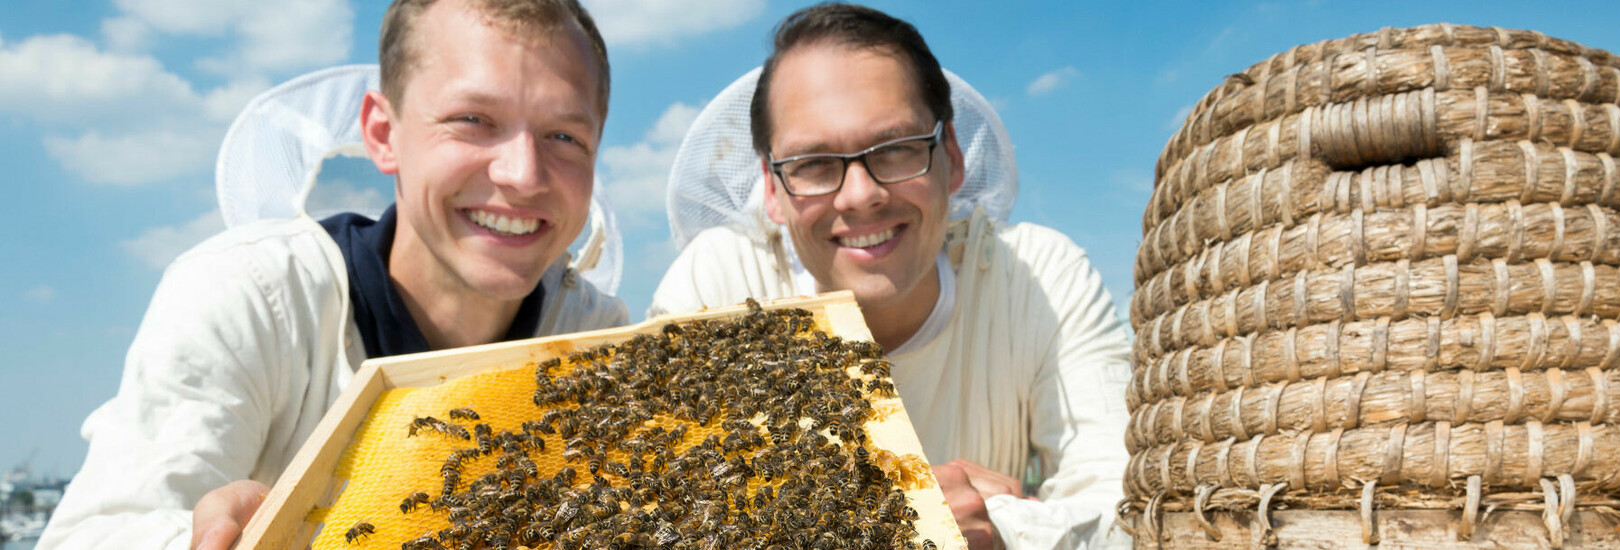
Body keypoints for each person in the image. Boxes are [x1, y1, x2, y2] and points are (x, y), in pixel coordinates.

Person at [39, 0, 627, 548]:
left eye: (564, 137)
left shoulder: (597, 333)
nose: (523, 173)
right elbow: (95, 531)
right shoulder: (252, 295)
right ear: (381, 134)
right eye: (472, 119)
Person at [650, 4, 1131, 549]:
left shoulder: (1039, 278)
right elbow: (657, 515)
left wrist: (999, 530)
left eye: (897, 149)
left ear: (951, 153)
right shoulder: (717, 285)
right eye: (813, 163)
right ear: (771, 189)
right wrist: (902, 520)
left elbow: (1128, 507)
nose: (861, 195)